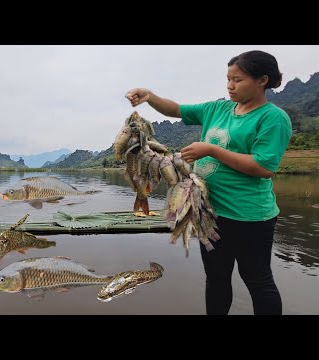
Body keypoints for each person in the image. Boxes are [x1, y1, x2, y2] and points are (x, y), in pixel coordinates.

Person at [125, 50, 292, 315]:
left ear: (262, 80)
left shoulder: (272, 117)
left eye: (237, 80)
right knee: (216, 279)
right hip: (208, 213)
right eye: (227, 79)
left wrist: (212, 150)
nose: (229, 85)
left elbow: (263, 167)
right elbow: (176, 109)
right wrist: (150, 97)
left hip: (249, 217)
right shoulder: (218, 108)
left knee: (257, 281)